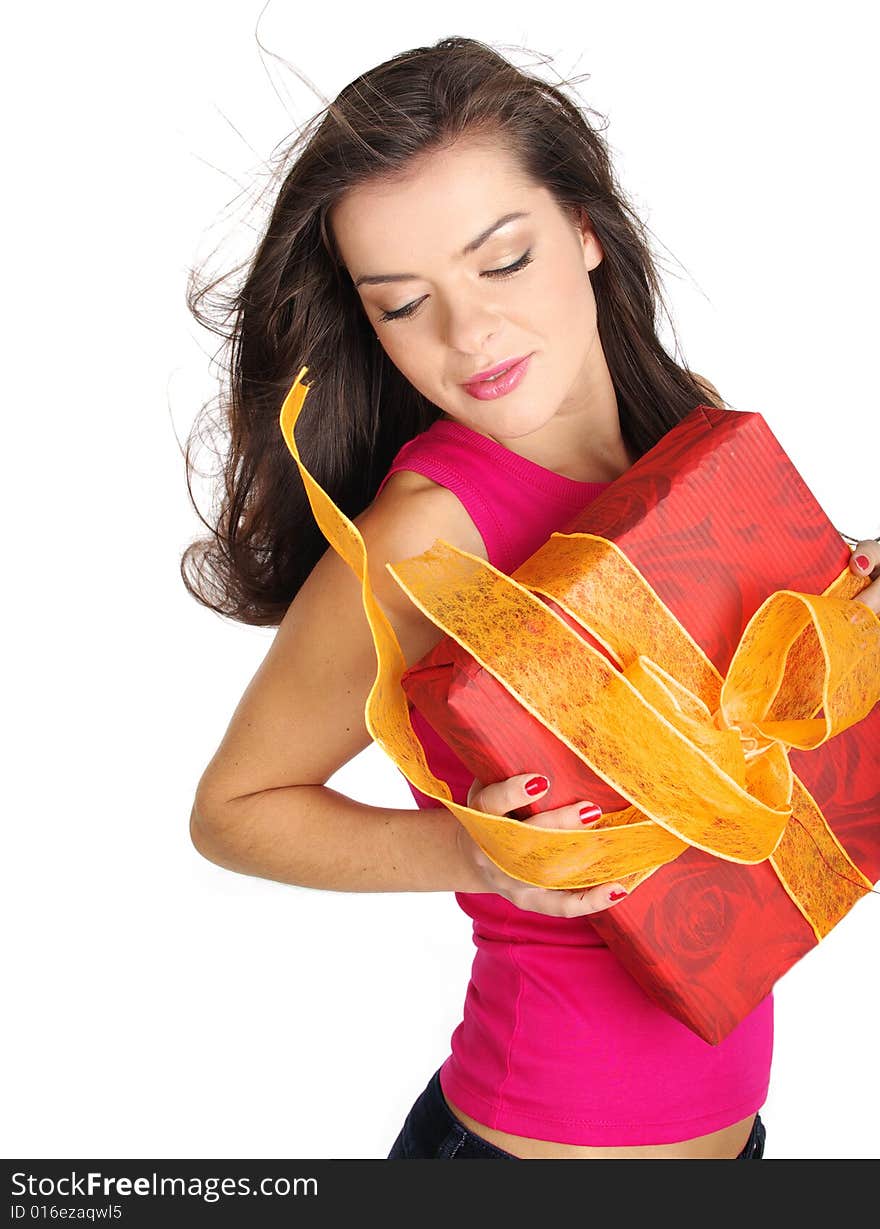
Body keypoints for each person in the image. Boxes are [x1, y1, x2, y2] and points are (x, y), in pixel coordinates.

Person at [183, 36, 880, 1160]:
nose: (471, 336)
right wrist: (468, 855)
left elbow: (737, 736)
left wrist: (847, 602)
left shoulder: (689, 432)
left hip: (737, 1136)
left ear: (587, 230)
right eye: (404, 304)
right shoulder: (424, 535)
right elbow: (233, 809)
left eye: (502, 261)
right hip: (528, 1151)